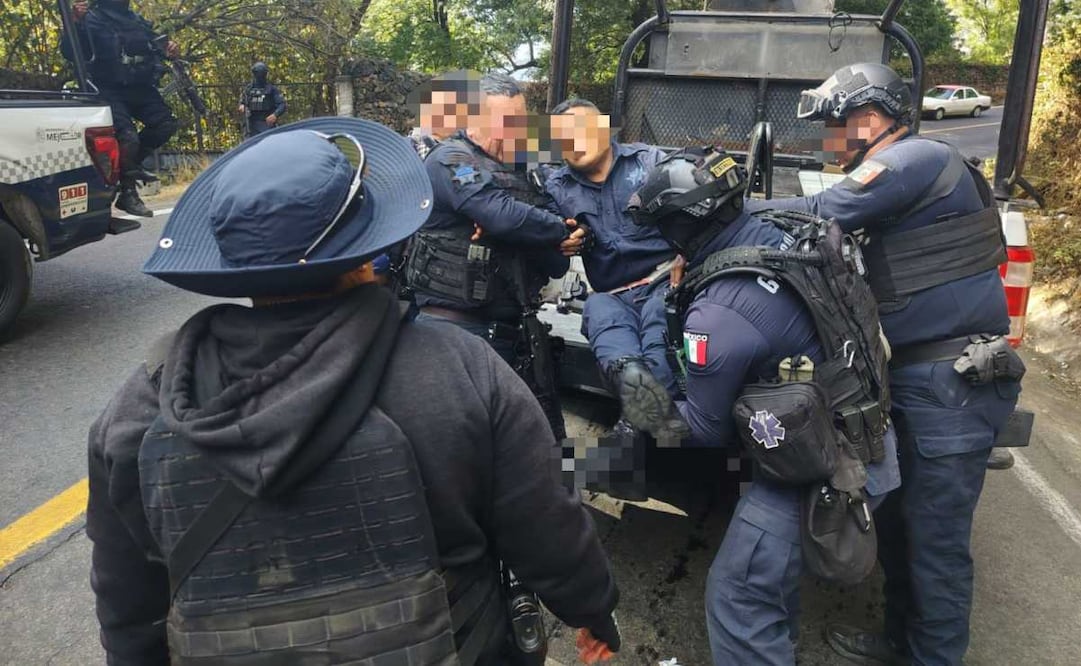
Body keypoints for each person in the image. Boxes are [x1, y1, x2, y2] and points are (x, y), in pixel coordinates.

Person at [88, 117, 621, 665]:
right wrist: (592, 609)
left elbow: (127, 595)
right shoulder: (461, 371)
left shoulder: (146, 400)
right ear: (369, 252)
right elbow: (543, 528)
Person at [745, 63, 1024, 665]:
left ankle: (931, 656)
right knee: (901, 531)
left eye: (833, 127)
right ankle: (903, 640)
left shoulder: (917, 159)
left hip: (951, 383)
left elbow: (818, 213)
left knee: (936, 547)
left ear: (870, 119)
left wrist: (724, 212)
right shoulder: (908, 177)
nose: (826, 142)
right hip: (917, 380)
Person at [627, 145, 901, 665]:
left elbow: (702, 429)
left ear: (680, 228)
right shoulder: (790, 228)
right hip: (869, 440)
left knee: (739, 601)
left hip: (820, 476)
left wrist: (643, 404)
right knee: (770, 590)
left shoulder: (718, 315)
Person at [407, 73, 585, 365]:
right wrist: (549, 228)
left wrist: (557, 232)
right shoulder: (452, 160)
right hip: (452, 329)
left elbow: (557, 261)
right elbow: (500, 214)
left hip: (511, 331)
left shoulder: (528, 171)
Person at [545, 98, 688, 440]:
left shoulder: (650, 163)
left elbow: (699, 210)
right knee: (608, 333)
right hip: (610, 294)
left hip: (665, 281)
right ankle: (645, 425)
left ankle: (629, 432)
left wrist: (688, 254)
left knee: (659, 332)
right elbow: (549, 238)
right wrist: (561, 241)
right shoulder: (557, 187)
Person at [61, 0, 179, 218]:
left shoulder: (136, 20)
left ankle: (127, 166)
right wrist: (75, 22)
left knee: (166, 124)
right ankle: (128, 192)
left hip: (140, 87)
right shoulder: (92, 18)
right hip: (109, 88)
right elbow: (70, 52)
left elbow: (157, 47)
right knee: (128, 138)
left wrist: (170, 49)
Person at [238, 62, 286, 138]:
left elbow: (282, 104)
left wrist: (275, 115)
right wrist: (242, 106)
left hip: (266, 122)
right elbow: (242, 102)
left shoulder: (271, 89)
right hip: (251, 124)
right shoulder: (248, 89)